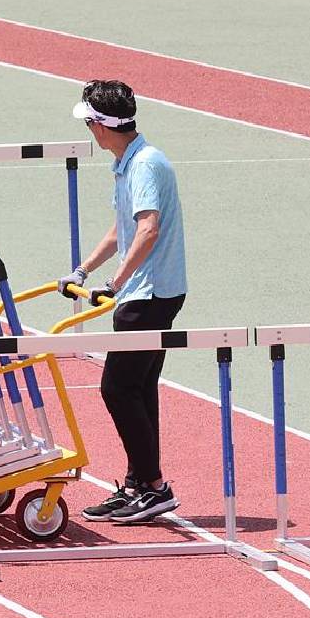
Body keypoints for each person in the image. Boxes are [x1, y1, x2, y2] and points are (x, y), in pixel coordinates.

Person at [62, 79, 187, 526]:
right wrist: (83, 270)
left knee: (116, 387)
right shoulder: (127, 162)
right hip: (145, 291)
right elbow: (123, 229)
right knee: (137, 387)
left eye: (90, 123)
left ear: (99, 125)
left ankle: (153, 487)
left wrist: (114, 284)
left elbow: (149, 229)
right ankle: (141, 483)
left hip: (149, 294)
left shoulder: (146, 164)